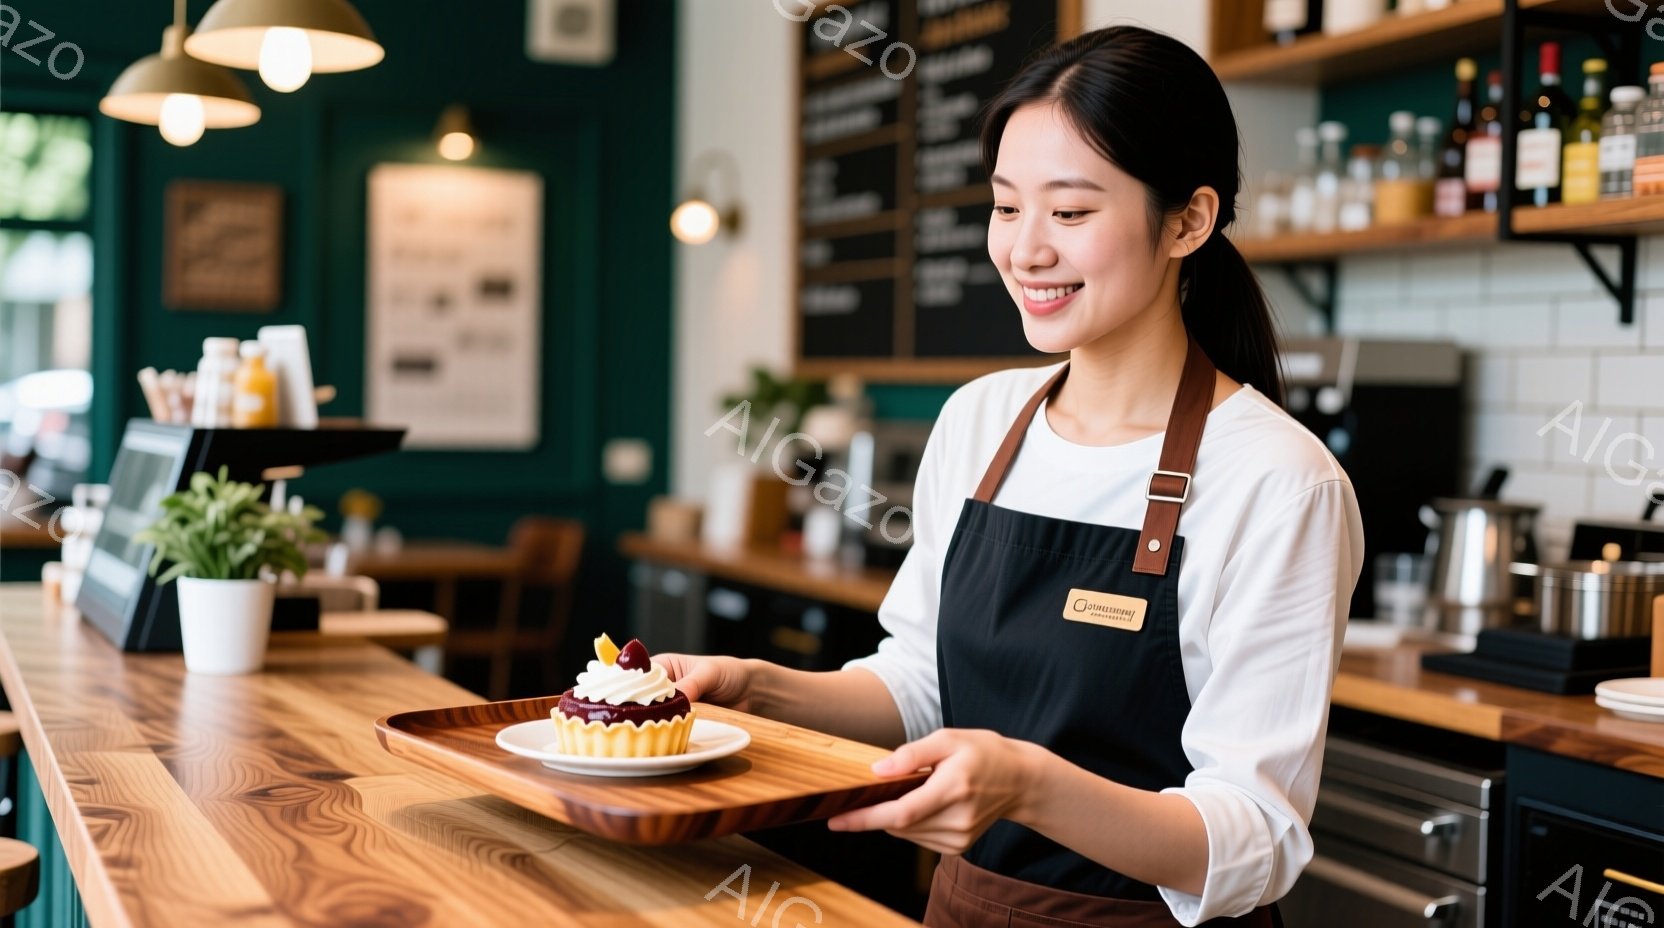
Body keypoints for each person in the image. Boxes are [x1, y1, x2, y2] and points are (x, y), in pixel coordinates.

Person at [659, 25, 1364, 928]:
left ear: (1188, 221)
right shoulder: (979, 421)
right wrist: (759, 692)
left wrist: (1029, 786)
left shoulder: (1280, 481)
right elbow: (920, 684)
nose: (1025, 250)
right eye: (1005, 207)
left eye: (1069, 213)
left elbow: (1255, 837)